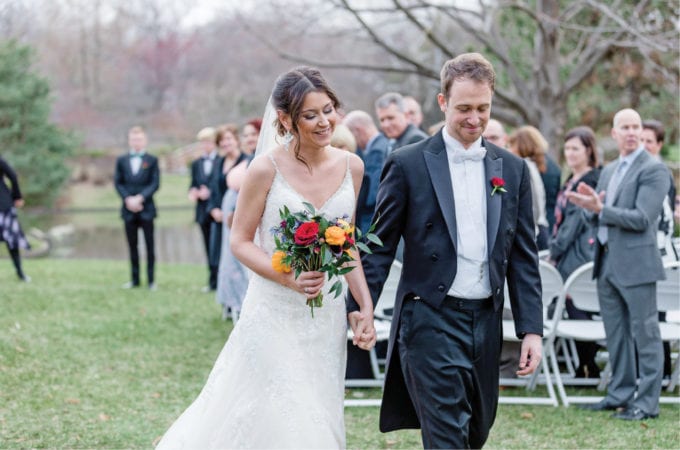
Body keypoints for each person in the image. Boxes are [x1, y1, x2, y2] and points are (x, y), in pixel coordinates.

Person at [156, 67, 376, 449]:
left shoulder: (351, 166)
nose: (324, 122)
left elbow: (346, 243)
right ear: (286, 120)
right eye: (311, 115)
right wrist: (289, 278)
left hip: (325, 315)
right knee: (281, 413)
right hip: (274, 310)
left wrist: (365, 306)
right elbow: (240, 241)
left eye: (328, 110)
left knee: (316, 407)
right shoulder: (264, 169)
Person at [348, 53, 543, 449]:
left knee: (475, 432)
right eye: (464, 108)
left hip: (486, 321)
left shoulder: (512, 169)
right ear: (442, 102)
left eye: (483, 108)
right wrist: (362, 305)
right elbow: (380, 245)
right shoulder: (407, 164)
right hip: (429, 319)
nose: (475, 118)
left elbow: (523, 257)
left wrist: (532, 330)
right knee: (446, 435)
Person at [567, 108, 669, 420]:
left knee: (646, 334)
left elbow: (642, 219)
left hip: (637, 263)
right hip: (606, 260)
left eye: (636, 126)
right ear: (614, 134)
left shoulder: (654, 169)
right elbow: (600, 214)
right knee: (616, 334)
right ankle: (619, 394)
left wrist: (601, 209)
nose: (632, 132)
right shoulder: (610, 170)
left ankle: (647, 403)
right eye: (625, 127)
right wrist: (589, 208)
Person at [549, 126, 601, 378]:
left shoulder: (590, 181)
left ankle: (588, 366)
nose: (570, 153)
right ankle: (584, 365)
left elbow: (572, 225)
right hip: (567, 252)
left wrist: (554, 251)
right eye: (567, 148)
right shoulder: (571, 178)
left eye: (575, 148)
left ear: (588, 150)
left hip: (578, 253)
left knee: (579, 307)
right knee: (573, 308)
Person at [209, 124, 251, 319]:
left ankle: (242, 301)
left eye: (228, 139)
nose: (225, 143)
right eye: (222, 141)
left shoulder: (246, 160)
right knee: (222, 259)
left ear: (236, 140)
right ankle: (227, 300)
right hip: (219, 215)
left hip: (237, 214)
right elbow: (213, 188)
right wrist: (214, 209)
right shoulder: (218, 162)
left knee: (237, 259)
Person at [113, 126, 160, 290]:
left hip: (147, 209)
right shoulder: (121, 160)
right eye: (133, 139)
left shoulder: (152, 160)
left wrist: (140, 198)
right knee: (132, 246)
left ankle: (151, 280)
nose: (136, 142)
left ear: (145, 141)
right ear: (129, 141)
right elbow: (118, 183)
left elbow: (155, 183)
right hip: (128, 210)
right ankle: (134, 280)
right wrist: (128, 199)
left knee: (149, 245)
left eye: (139, 139)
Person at [343, 110, 389, 235]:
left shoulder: (377, 151)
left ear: (358, 130)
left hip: (371, 219)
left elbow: (372, 194)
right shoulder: (383, 144)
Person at [508, 125, 551, 250]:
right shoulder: (533, 165)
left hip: (535, 229)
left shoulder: (524, 166)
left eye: (512, 145)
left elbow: (533, 204)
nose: (509, 149)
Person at [188, 127, 221, 292]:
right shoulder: (196, 164)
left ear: (214, 143)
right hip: (202, 211)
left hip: (217, 211)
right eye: (202, 142)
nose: (205, 145)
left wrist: (210, 192)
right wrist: (193, 192)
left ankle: (222, 280)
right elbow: (193, 184)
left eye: (208, 142)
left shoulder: (221, 161)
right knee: (208, 247)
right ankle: (212, 281)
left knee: (219, 248)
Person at [642, 119, 677, 262]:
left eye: (649, 141)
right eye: (641, 140)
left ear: (659, 145)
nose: (643, 145)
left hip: (660, 251)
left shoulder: (661, 173)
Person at [0, 156, 30, 282]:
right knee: (11, 240)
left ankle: (20, 273)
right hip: (4, 204)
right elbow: (12, 176)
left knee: (11, 240)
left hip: (4, 205)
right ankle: (20, 273)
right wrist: (16, 196)